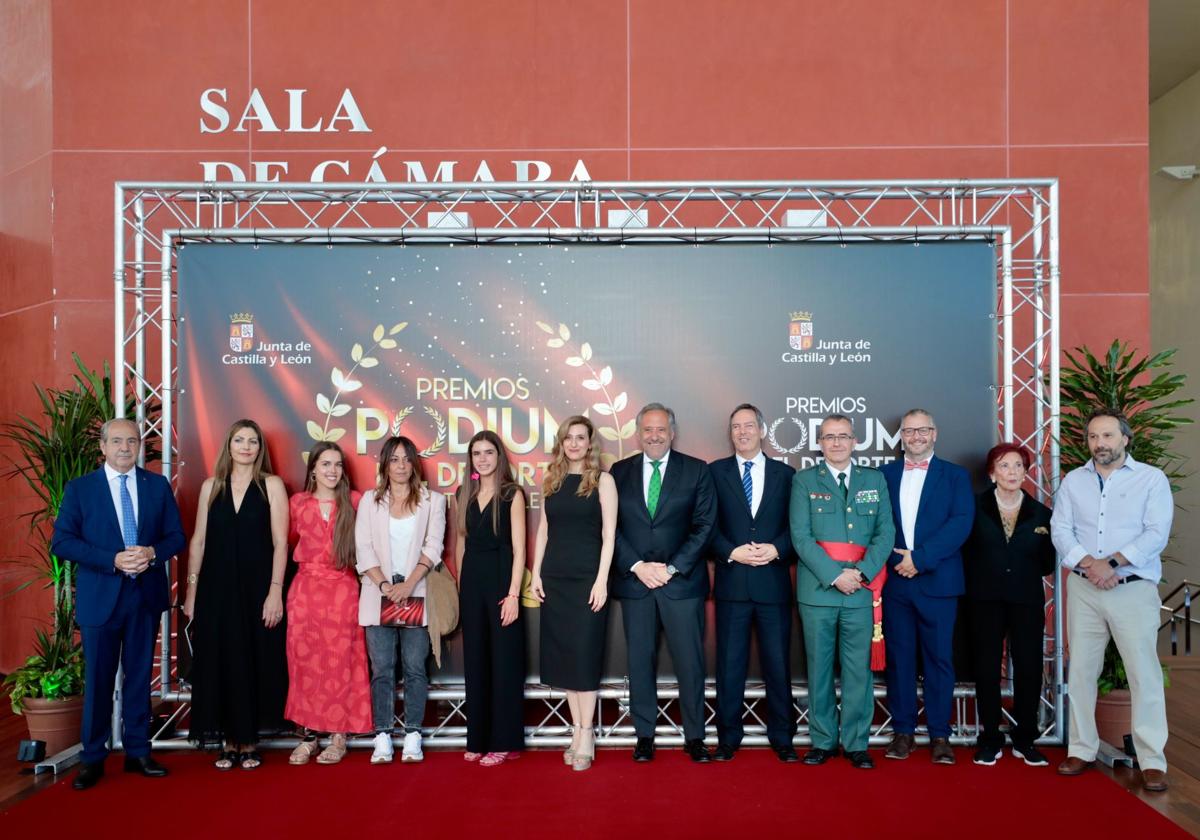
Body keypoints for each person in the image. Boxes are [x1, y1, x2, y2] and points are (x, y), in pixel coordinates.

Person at [51, 418, 186, 790]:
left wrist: (153, 552)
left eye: (132, 440)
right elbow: (62, 542)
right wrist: (111, 559)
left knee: (140, 678)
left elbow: (176, 536)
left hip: (144, 597)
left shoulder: (156, 486)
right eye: (117, 441)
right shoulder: (81, 489)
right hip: (101, 599)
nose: (126, 447)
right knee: (98, 680)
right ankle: (93, 757)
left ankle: (138, 751)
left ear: (140, 445)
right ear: (103, 447)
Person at [1051, 409, 1173, 792]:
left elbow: (1156, 533)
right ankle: (1083, 749)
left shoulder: (1151, 480)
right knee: (1081, 670)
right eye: (1092, 437)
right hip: (1086, 588)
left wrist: (1113, 563)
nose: (1099, 444)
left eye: (1107, 436)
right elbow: (1061, 529)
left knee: (1144, 674)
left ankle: (1152, 759)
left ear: (1124, 439)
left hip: (1133, 588)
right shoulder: (1073, 481)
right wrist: (1089, 564)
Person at [610, 402, 716, 763]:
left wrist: (670, 569)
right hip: (636, 582)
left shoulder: (697, 471)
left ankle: (696, 736)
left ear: (672, 432)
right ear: (638, 434)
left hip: (681, 584)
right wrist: (638, 566)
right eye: (647, 430)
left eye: (661, 429)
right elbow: (612, 529)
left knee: (690, 662)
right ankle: (644, 735)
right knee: (640, 660)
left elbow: (704, 528)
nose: (654, 436)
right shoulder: (618, 472)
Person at [183, 419, 289, 770]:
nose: (246, 446)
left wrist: (275, 592)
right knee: (220, 660)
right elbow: (198, 541)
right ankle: (227, 742)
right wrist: (191, 592)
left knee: (253, 659)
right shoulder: (211, 486)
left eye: (253, 441)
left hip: (258, 587)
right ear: (229, 445)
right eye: (240, 440)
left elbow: (280, 543)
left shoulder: (271, 485)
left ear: (261, 448)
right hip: (216, 587)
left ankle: (248, 742)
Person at [790, 414, 894, 770]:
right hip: (819, 592)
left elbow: (885, 534)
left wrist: (861, 574)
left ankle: (855, 743)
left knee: (857, 673)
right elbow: (800, 538)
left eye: (843, 436)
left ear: (855, 441)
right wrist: (836, 576)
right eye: (829, 437)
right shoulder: (804, 481)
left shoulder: (874, 480)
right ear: (819, 442)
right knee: (818, 669)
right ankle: (821, 741)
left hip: (861, 593)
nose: (836, 443)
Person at [879, 409, 974, 765]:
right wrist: (897, 559)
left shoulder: (955, 476)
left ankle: (939, 734)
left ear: (934, 434)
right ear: (900, 436)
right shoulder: (883, 475)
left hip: (938, 582)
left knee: (939, 660)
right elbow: (874, 525)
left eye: (922, 430)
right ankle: (902, 731)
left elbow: (960, 524)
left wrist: (919, 559)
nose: (915, 436)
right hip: (896, 583)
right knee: (899, 660)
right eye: (908, 430)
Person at [708, 404, 797, 762]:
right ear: (730, 434)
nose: (742, 432)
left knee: (778, 664)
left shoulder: (786, 475)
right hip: (732, 585)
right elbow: (705, 527)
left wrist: (778, 549)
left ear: (762, 430)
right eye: (735, 427)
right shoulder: (714, 473)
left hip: (773, 586)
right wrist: (731, 552)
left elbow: (800, 529)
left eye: (748, 426)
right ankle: (728, 737)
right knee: (729, 667)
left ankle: (783, 737)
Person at [529, 416, 617, 771]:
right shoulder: (551, 480)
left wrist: (601, 580)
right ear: (561, 443)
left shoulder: (603, 481)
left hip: (586, 580)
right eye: (569, 438)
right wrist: (535, 573)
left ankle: (586, 733)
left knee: (583, 657)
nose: (575, 443)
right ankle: (577, 729)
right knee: (565, 658)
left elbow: (610, 536)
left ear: (590, 443)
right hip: (555, 579)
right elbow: (545, 531)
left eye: (581, 438)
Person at [355, 435, 448, 764]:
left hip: (416, 592)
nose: (400, 466)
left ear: (415, 464)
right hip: (378, 592)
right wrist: (385, 587)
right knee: (381, 668)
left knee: (414, 668)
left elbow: (433, 547)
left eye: (406, 459)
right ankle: (382, 735)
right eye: (394, 459)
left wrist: (407, 585)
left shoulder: (433, 501)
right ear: (384, 464)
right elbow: (363, 548)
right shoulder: (370, 501)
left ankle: (412, 734)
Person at [964, 443, 1055, 767]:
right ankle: (990, 739)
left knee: (1029, 667)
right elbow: (964, 553)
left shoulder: (1042, 514)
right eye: (1005, 466)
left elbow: (1047, 562)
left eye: (1019, 465)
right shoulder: (973, 508)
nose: (1013, 472)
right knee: (987, 668)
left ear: (1026, 472)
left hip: (1026, 600)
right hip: (984, 599)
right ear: (992, 472)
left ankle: (1025, 738)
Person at [284, 442, 371, 766]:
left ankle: (338, 735)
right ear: (313, 469)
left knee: (341, 663)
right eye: (325, 464)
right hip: (305, 592)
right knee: (304, 664)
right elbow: (288, 541)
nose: (332, 470)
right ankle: (308, 736)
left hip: (343, 592)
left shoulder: (355, 502)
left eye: (337, 465)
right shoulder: (297, 503)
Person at [456, 430, 527, 766]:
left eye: (488, 453)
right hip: (471, 584)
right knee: (476, 663)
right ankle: (478, 738)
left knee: (504, 664)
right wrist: (460, 588)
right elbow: (460, 544)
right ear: (470, 459)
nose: (482, 459)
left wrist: (514, 594)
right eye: (476, 453)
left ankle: (505, 740)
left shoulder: (512, 494)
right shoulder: (463, 492)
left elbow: (519, 549)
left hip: (502, 583)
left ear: (499, 456)